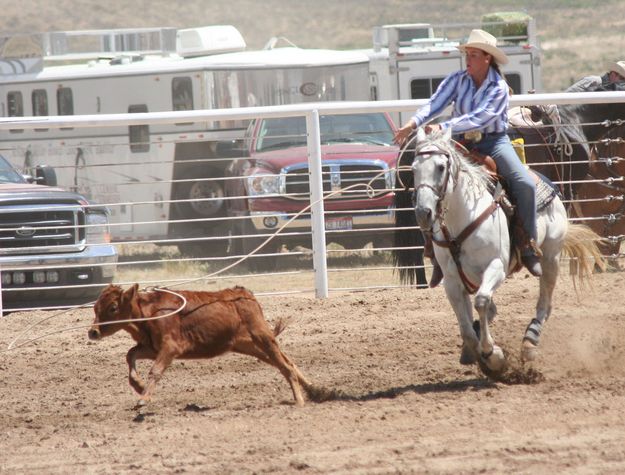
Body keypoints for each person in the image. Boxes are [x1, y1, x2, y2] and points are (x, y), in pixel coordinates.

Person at [394, 29, 542, 288]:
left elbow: (481, 117)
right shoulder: (457, 79)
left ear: (487, 58)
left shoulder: (498, 87)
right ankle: (436, 254)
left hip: (494, 143)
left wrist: (443, 127)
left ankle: (526, 244)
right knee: (433, 185)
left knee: (525, 184)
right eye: (467, 55)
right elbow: (435, 103)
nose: (468, 60)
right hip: (460, 143)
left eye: (474, 55)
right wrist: (413, 122)